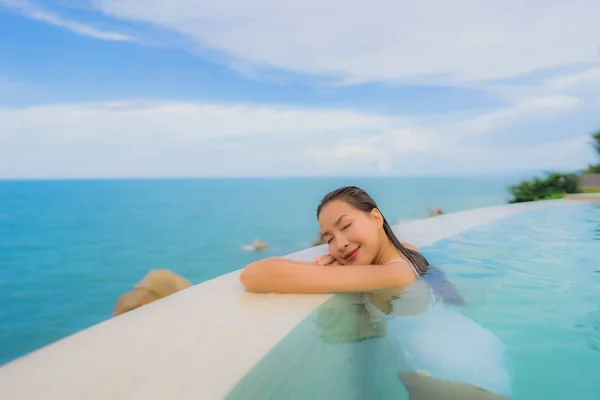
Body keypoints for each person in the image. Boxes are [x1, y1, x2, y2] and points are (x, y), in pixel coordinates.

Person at [240, 186, 514, 399]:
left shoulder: (391, 274)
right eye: (329, 239)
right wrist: (332, 263)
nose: (341, 243)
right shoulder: (408, 252)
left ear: (375, 217)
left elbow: (253, 275)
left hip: (455, 377)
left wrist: (328, 266)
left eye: (346, 226)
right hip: (474, 353)